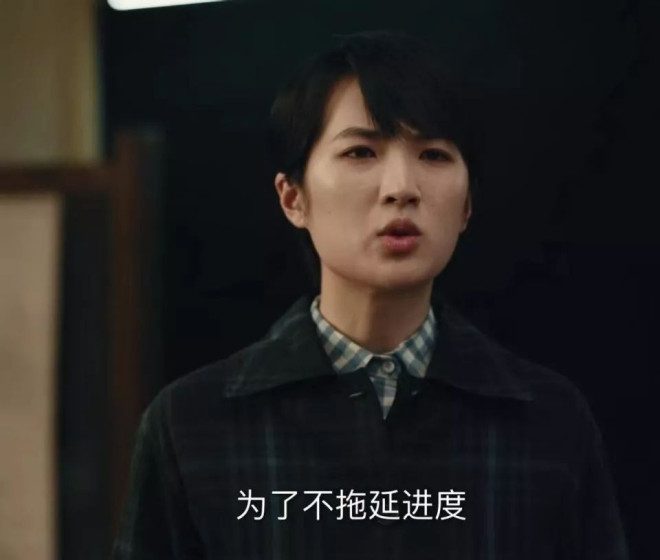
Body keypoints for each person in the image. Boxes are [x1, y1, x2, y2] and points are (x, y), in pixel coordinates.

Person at [112, 30, 629, 559]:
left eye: (433, 154)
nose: (401, 187)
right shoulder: (193, 425)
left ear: (467, 205)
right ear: (292, 197)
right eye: (361, 151)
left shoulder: (549, 423)